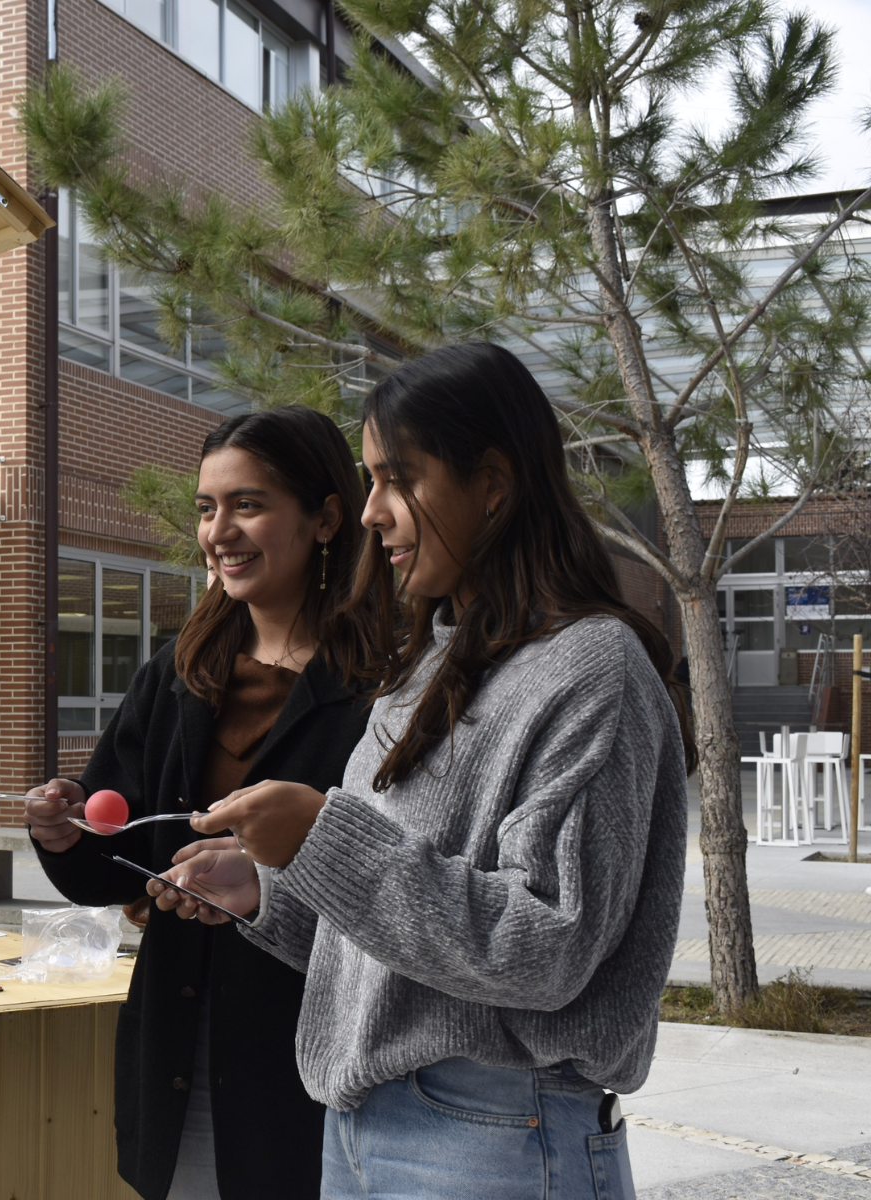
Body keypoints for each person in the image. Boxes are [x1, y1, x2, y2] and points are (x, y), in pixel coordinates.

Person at [149, 344, 695, 1200]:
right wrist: (265, 889)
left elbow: (544, 948)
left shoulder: (594, 668)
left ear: (493, 482)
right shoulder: (425, 668)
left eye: (398, 480)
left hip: (502, 1132)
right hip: (363, 1125)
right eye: (369, 481)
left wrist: (322, 838)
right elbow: (392, 937)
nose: (371, 514)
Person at [24, 406, 386, 1200]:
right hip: (179, 1050)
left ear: (327, 517)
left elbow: (398, 886)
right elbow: (114, 866)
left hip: (318, 1058)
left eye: (247, 504)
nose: (219, 531)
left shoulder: (388, 687)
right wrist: (60, 832)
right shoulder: (179, 670)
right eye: (206, 508)